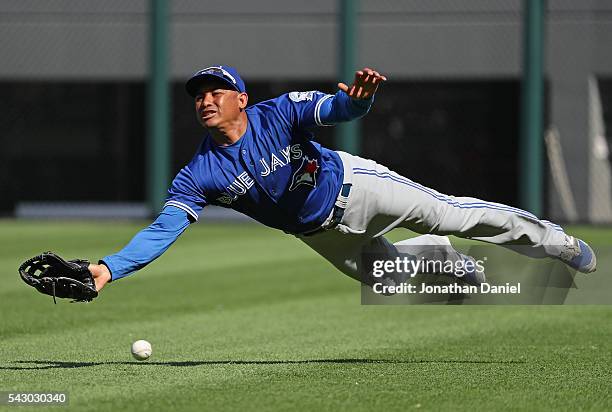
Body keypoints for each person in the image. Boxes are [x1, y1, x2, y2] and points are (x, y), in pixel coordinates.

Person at [88, 65, 596, 292]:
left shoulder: (278, 112)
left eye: (216, 91)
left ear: (240, 98)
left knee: (453, 214)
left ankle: (556, 242)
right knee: (388, 281)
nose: (205, 99)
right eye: (198, 94)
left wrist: (360, 100)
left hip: (358, 188)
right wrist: (108, 269)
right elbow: (162, 230)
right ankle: (447, 263)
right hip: (320, 235)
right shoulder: (198, 174)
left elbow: (336, 107)